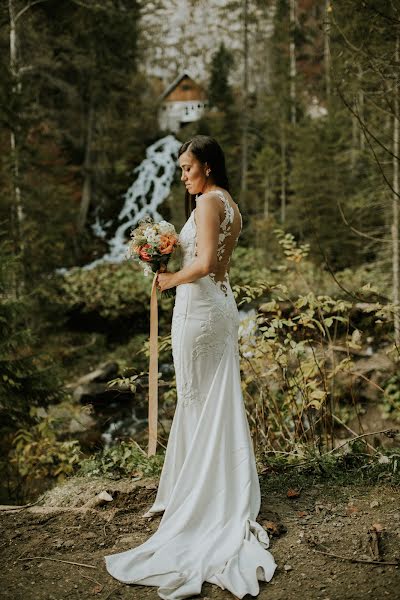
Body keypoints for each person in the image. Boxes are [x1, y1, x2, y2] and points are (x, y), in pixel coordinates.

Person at [104, 135, 277, 599]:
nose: (183, 176)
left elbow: (201, 264)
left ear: (208, 167)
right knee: (211, 398)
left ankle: (202, 497)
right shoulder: (229, 204)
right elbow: (217, 264)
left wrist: (166, 278)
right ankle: (210, 485)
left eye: (187, 168)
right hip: (220, 308)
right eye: (181, 169)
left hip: (199, 311)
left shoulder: (205, 205)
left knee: (198, 399)